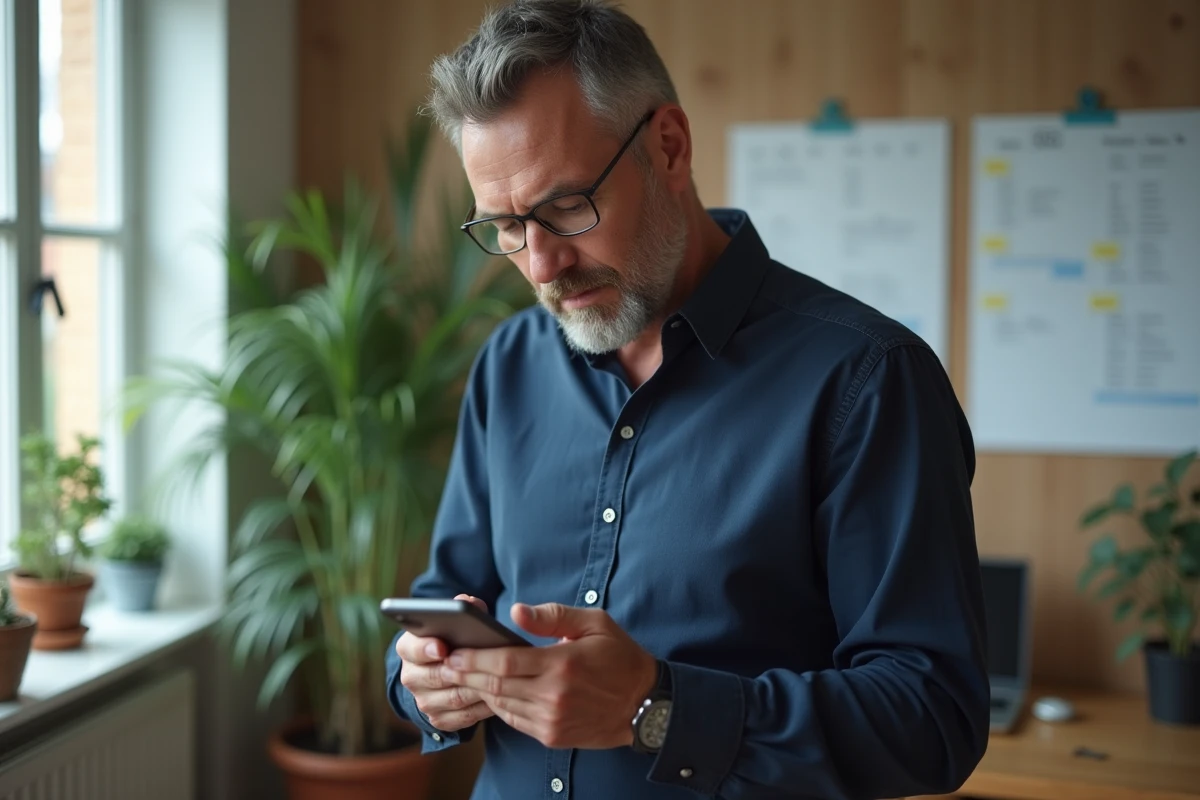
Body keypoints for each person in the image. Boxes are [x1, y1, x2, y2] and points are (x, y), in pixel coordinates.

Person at [384, 1, 990, 797]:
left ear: (668, 146)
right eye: (504, 226)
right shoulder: (510, 365)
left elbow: (934, 717)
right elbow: (445, 598)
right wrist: (423, 684)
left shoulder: (865, 379)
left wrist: (655, 709)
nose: (540, 265)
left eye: (567, 206)